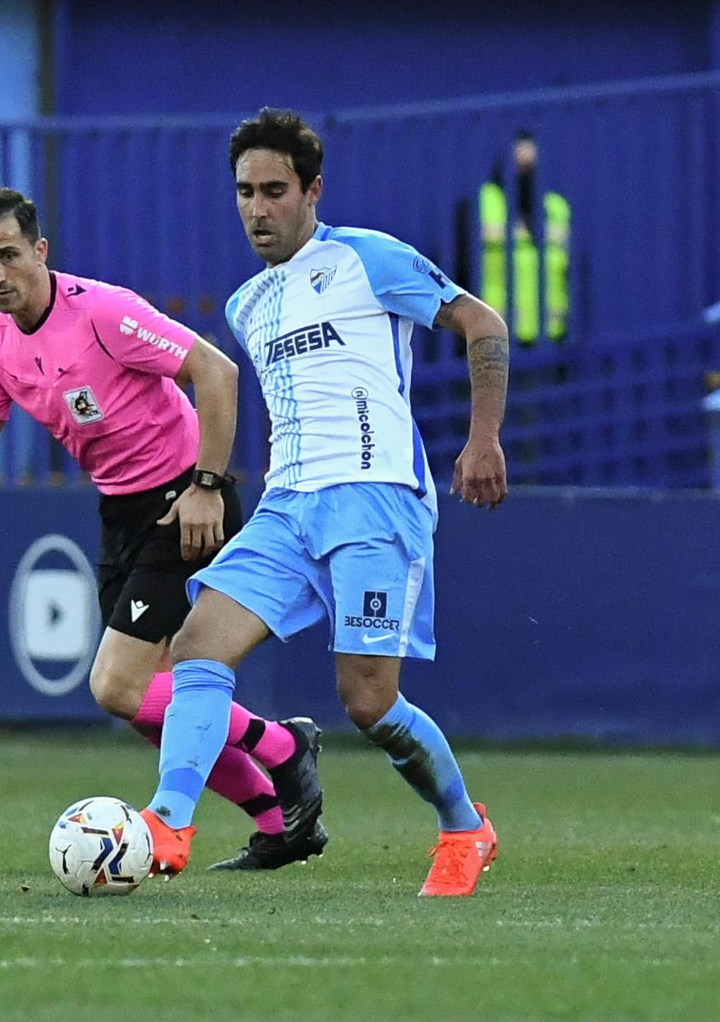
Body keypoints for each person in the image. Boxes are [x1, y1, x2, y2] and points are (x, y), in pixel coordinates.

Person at [137, 109, 510, 897]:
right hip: (287, 506)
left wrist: (483, 439)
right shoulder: (246, 304)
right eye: (245, 192)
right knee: (197, 644)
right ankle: (167, 821)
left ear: (313, 191)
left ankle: (463, 825)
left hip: (374, 500)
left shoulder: (367, 258)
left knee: (368, 700)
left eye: (275, 190)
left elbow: (482, 322)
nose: (257, 208)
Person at [0, 187, 326, 871]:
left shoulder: (102, 312)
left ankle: (284, 747)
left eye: (8, 256)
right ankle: (279, 820)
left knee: (117, 685)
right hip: (121, 513)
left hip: (183, 501)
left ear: (40, 251)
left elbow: (217, 371)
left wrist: (207, 486)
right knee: (148, 707)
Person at [479, 129, 571, 345]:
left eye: (530, 165)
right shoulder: (487, 199)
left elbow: (567, 244)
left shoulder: (556, 205)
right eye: (519, 164)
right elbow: (483, 232)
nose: (524, 172)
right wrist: (536, 233)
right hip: (500, 328)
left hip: (553, 330)